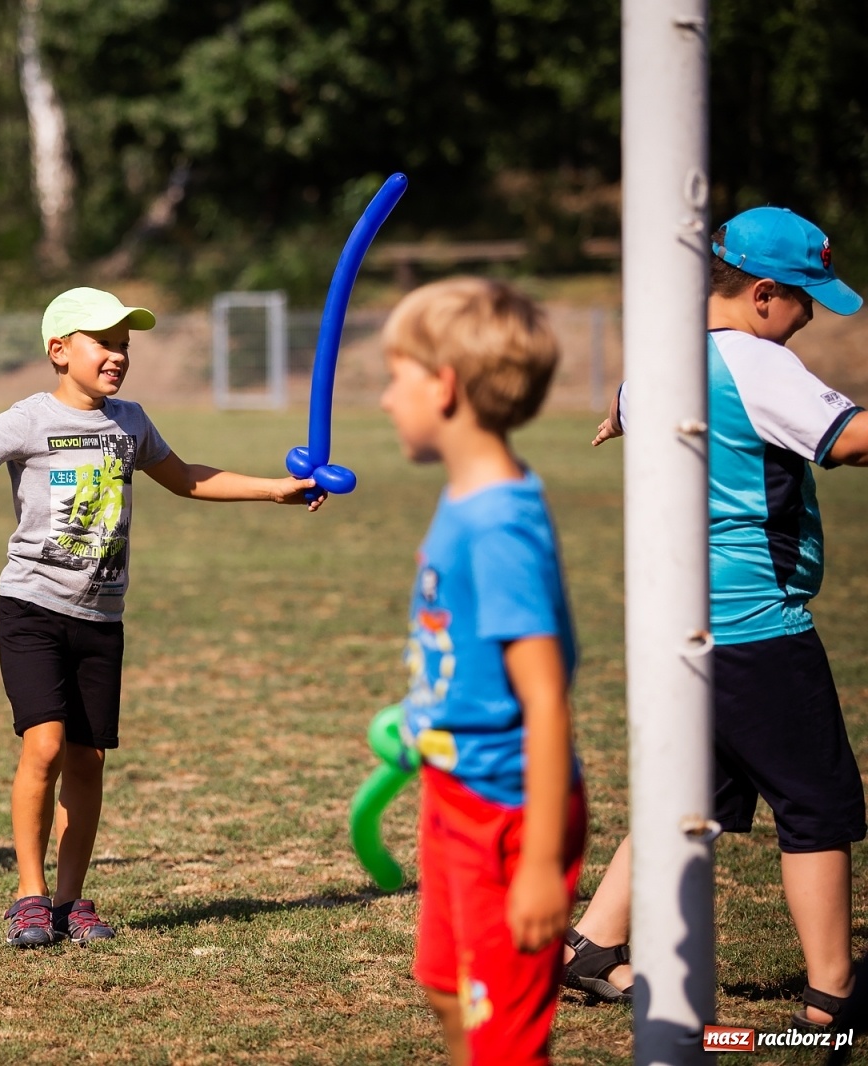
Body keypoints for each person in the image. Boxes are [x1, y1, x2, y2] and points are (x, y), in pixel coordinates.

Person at [0, 286, 322, 947]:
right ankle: (29, 895)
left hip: (102, 617)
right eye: (104, 342)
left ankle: (72, 902)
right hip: (32, 607)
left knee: (88, 758)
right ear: (58, 349)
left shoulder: (131, 422)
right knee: (42, 746)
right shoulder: (27, 419)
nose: (118, 355)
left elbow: (186, 477)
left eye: (125, 345)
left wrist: (274, 488)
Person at [575, 207, 868, 1028]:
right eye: (807, 299)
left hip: (679, 622)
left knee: (688, 791)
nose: (810, 317)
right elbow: (846, 440)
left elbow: (631, 408)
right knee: (814, 808)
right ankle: (832, 996)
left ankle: (593, 944)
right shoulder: (756, 361)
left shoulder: (663, 356)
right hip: (753, 623)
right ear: (764, 294)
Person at [379, 277, 585, 1066]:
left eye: (397, 379)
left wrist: (537, 864)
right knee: (441, 983)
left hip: (508, 814)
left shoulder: (499, 524)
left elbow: (544, 696)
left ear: (446, 386)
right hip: (452, 790)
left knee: (505, 1037)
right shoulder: (465, 497)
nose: (388, 400)